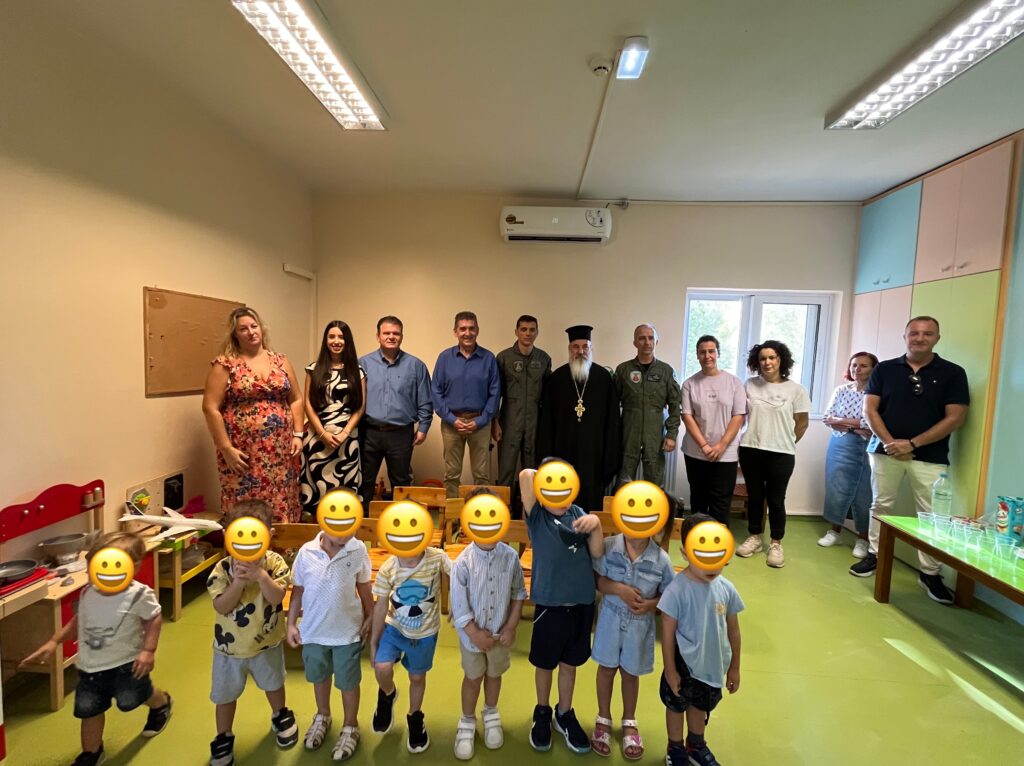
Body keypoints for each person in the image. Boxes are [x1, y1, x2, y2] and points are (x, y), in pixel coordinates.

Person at [20, 532, 172, 766]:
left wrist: (148, 651)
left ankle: (161, 703)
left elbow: (154, 618)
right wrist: (54, 641)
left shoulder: (139, 594)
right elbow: (79, 620)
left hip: (126, 665)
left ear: (133, 567)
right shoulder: (89, 591)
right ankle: (92, 752)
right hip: (90, 667)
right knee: (89, 710)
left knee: (135, 697)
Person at [849, 317, 969, 605]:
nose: (920, 338)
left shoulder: (953, 373)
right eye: (914, 333)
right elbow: (870, 410)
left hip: (930, 456)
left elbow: (955, 417)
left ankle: (930, 573)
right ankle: (876, 555)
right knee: (881, 506)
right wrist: (891, 443)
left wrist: (912, 444)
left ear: (937, 338)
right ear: (905, 336)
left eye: (927, 333)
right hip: (884, 451)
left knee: (932, 514)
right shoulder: (885, 370)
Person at [520, 463, 605, 754]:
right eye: (552, 485)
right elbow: (525, 475)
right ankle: (542, 711)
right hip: (550, 606)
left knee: (570, 665)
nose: (559, 493)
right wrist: (549, 475)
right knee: (545, 665)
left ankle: (564, 713)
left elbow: (597, 552)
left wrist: (596, 524)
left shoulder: (580, 514)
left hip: (581, 605)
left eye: (564, 485)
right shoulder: (537, 516)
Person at [206, 499, 296, 766]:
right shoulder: (222, 569)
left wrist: (261, 577)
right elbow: (221, 606)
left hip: (267, 643)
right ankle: (223, 736)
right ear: (228, 536)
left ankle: (280, 714)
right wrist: (238, 583)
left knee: (274, 683)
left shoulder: (275, 563)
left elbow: (277, 597)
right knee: (225, 696)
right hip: (229, 649)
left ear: (269, 534)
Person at [286, 510, 374, 759]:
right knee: (319, 677)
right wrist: (291, 624)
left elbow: (364, 588)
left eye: (350, 527)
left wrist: (370, 616)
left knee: (348, 682)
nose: (345, 534)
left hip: (347, 632)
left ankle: (350, 725)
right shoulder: (307, 552)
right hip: (313, 632)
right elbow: (297, 591)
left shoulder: (357, 550)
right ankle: (322, 715)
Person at [202, 307, 303, 522]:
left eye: (254, 326)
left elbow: (296, 399)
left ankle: (282, 541)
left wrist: (298, 434)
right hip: (243, 452)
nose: (251, 332)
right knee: (246, 506)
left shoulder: (280, 361)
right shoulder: (226, 364)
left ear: (261, 329)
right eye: (243, 329)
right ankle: (246, 542)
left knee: (281, 498)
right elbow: (210, 408)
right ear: (235, 334)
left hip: (281, 450)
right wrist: (226, 448)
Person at [449, 488, 528, 760]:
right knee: (473, 677)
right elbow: (459, 605)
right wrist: (473, 633)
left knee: (494, 675)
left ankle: (491, 712)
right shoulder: (463, 563)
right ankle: (467, 720)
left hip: (499, 635)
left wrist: (512, 626)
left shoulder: (510, 557)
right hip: (472, 638)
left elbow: (518, 592)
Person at [659, 514, 743, 766]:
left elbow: (734, 631)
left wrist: (735, 666)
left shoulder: (726, 588)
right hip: (683, 663)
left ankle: (696, 745)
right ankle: (675, 748)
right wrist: (670, 670)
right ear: (686, 554)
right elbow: (667, 634)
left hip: (711, 663)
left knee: (699, 705)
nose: (710, 566)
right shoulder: (676, 590)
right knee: (676, 706)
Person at [590, 519, 674, 759]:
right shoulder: (607, 547)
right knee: (606, 670)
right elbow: (598, 579)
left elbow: (669, 595)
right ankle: (603, 718)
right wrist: (619, 589)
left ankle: (629, 720)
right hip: (609, 620)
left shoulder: (661, 559)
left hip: (639, 627)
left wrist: (651, 605)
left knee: (630, 674)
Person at [369, 530, 452, 752]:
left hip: (424, 634)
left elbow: (459, 573)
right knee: (382, 667)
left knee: (417, 677)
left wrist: (458, 602)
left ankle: (415, 716)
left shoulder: (436, 558)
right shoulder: (388, 567)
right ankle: (388, 694)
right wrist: (373, 641)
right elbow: (380, 605)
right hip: (394, 628)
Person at [735, 340, 811, 568]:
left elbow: (802, 423)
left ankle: (776, 543)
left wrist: (786, 441)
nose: (767, 362)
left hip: (781, 453)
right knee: (755, 497)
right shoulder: (749, 385)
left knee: (776, 499)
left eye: (772, 357)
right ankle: (755, 537)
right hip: (751, 449)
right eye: (762, 358)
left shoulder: (796, 390)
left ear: (781, 360)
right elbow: (739, 415)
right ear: (756, 362)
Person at [536, 325, 622, 512]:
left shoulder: (604, 378)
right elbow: (546, 423)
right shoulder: (556, 379)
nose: (581, 351)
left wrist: (610, 457)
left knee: (591, 503)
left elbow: (613, 422)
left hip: (594, 456)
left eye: (585, 347)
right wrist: (547, 458)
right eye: (576, 347)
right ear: (569, 349)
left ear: (591, 349)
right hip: (562, 454)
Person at [358, 316, 433, 502]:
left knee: (401, 482)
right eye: (386, 333)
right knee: (365, 481)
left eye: (396, 333)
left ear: (402, 336)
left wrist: (423, 428)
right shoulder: (363, 364)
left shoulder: (416, 366)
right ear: (378, 336)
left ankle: (401, 519)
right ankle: (364, 518)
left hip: (401, 434)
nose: (391, 337)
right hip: (369, 433)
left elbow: (425, 400)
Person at [300, 321, 367, 518]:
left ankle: (345, 532)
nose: (336, 341)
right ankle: (316, 533)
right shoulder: (313, 369)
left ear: (347, 341)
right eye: (331, 337)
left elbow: (360, 406)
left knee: (346, 494)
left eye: (341, 337)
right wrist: (322, 433)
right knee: (317, 491)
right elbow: (307, 404)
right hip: (317, 439)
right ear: (326, 340)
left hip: (347, 440)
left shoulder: (357, 371)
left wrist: (345, 433)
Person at [432, 311, 501, 498]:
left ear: (477, 330)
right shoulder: (445, 358)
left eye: (471, 328)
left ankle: (481, 512)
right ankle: (453, 513)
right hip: (451, 424)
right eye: (463, 329)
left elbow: (495, 393)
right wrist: (452, 419)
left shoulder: (488, 358)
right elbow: (436, 392)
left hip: (480, 423)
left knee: (482, 474)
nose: (467, 333)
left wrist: (481, 420)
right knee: (451, 474)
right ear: (455, 332)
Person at [680, 335, 746, 524]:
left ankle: (718, 539)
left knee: (721, 501)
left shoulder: (734, 382)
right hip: (696, 452)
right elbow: (687, 416)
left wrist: (721, 446)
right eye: (702, 352)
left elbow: (739, 416)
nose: (707, 355)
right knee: (698, 498)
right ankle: (696, 537)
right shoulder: (689, 384)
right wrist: (705, 446)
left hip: (726, 453)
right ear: (697, 355)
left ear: (718, 353)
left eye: (711, 351)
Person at [818, 352, 878, 559]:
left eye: (863, 365)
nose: (857, 369)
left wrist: (842, 422)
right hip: (840, 445)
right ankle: (834, 532)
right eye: (854, 365)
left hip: (867, 447)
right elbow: (828, 418)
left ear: (873, 369)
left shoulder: (876, 393)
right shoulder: (841, 390)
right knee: (836, 487)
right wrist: (854, 426)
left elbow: (870, 423)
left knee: (865, 491)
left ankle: (863, 539)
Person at [493, 315, 552, 509]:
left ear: (537, 332)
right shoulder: (503, 358)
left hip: (534, 422)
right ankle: (503, 510)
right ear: (516, 331)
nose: (527, 333)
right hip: (510, 421)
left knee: (532, 471)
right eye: (524, 329)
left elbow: (547, 395)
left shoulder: (544, 359)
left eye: (532, 330)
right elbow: (496, 393)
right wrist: (495, 422)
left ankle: (531, 512)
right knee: (506, 469)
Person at [614, 323, 681, 489]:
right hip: (629, 434)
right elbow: (613, 404)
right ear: (635, 342)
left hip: (655, 436)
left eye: (651, 338)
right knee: (623, 482)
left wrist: (671, 434)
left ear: (656, 342)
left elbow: (675, 405)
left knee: (655, 484)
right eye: (642, 338)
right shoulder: (623, 370)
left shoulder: (666, 371)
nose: (647, 342)